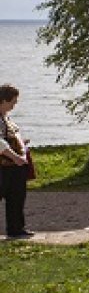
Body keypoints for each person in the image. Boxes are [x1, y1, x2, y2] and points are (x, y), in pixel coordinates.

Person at [0, 84, 33, 239]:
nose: (15, 104)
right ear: (4, 100)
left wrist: (21, 145)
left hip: (14, 166)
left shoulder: (6, 117)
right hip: (4, 166)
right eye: (13, 101)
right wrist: (16, 157)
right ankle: (15, 229)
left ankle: (16, 229)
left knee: (17, 197)